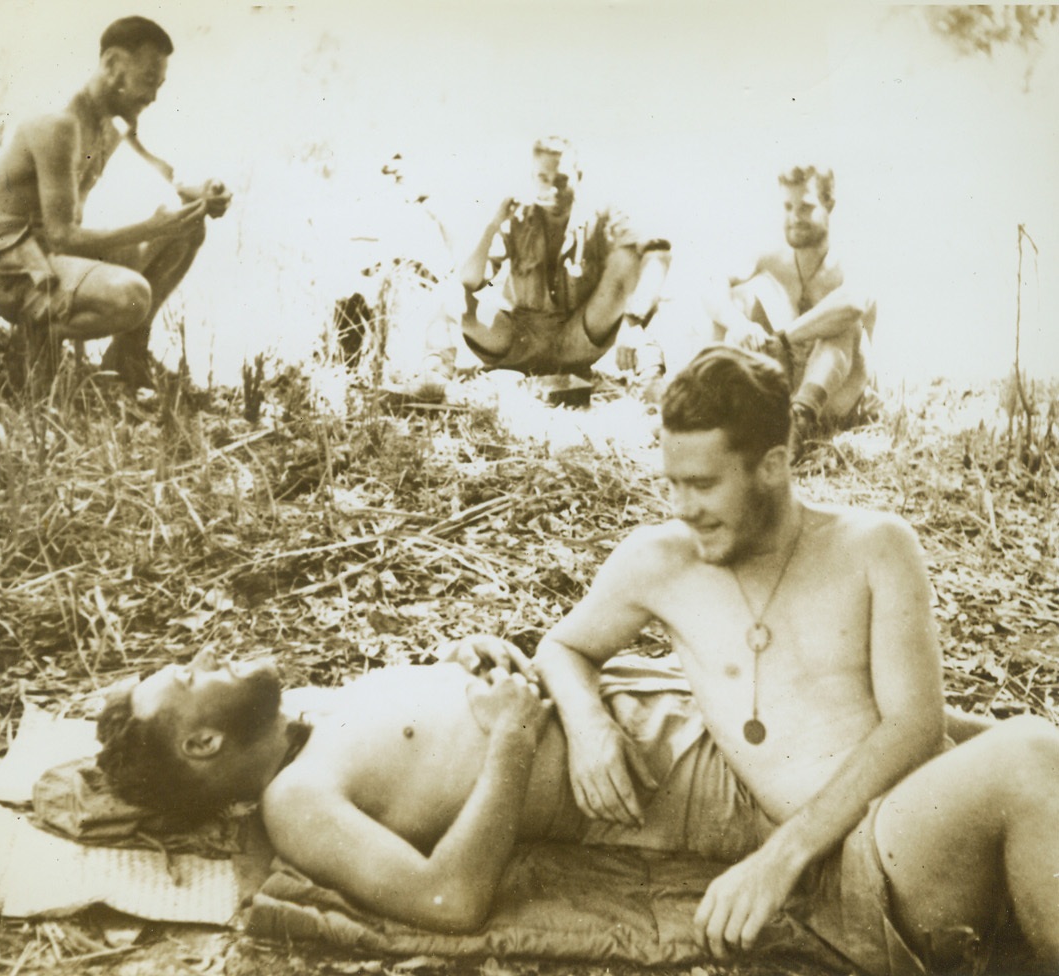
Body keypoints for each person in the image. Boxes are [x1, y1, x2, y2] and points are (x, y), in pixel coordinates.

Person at [533, 344, 1058, 975]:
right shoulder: (660, 560)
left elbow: (918, 724)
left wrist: (780, 857)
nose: (681, 506)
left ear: (774, 465)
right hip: (849, 870)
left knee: (1035, 750)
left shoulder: (876, 546)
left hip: (908, 827)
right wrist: (588, 725)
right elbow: (562, 645)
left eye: (702, 484)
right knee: (1030, 751)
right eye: (671, 482)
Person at [96, 633, 1004, 952]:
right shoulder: (298, 802)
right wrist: (512, 741)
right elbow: (446, 900)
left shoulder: (313, 716)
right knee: (1012, 780)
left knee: (974, 740)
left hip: (692, 703)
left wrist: (477, 659)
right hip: (715, 781)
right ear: (203, 741)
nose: (206, 657)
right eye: (189, 674)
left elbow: (429, 734)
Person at [0, 16, 232, 390]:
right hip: (18, 271)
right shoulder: (60, 124)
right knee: (132, 294)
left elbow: (165, 174)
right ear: (113, 65)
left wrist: (199, 194)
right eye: (148, 80)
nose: (153, 97)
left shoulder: (108, 121)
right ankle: (37, 349)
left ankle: (128, 356)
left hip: (55, 258)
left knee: (189, 227)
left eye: (158, 85)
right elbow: (62, 236)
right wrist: (150, 228)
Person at [407, 136, 671, 401]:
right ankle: (434, 376)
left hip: (579, 337)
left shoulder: (603, 216)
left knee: (628, 257)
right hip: (520, 338)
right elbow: (471, 280)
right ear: (533, 178)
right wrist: (493, 224)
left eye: (562, 179)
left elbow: (658, 254)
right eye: (544, 178)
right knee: (452, 293)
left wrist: (632, 324)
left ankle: (650, 381)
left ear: (578, 177)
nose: (553, 190)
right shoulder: (519, 216)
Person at [707, 165, 875, 449]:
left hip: (840, 397)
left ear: (829, 205)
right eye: (787, 207)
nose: (794, 218)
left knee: (844, 323)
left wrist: (785, 337)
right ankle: (712, 406)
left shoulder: (851, 257)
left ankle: (801, 418)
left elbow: (854, 303)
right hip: (789, 388)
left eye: (806, 207)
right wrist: (739, 324)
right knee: (738, 301)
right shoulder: (773, 257)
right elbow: (712, 281)